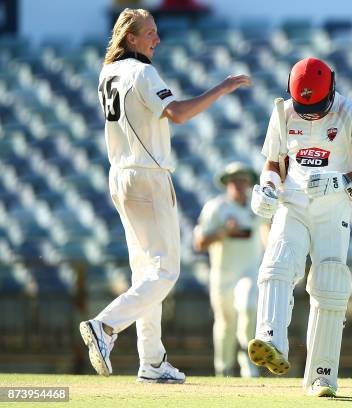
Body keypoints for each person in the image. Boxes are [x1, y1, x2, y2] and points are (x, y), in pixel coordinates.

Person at [79, 8, 250, 383]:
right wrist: (221, 88)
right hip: (148, 176)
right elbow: (178, 113)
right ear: (131, 39)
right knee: (166, 272)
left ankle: (153, 361)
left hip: (120, 174)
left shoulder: (108, 72)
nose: (157, 39)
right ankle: (105, 326)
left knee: (146, 273)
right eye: (150, 33)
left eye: (156, 31)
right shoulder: (142, 72)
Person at [248, 57, 352, 397]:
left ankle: (322, 376)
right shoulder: (282, 112)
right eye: (303, 107)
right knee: (276, 265)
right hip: (292, 202)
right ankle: (270, 339)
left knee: (330, 284)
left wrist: (342, 182)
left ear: (332, 88)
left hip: (332, 207)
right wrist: (266, 185)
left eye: (316, 108)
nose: (309, 115)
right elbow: (274, 163)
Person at [192, 162, 269, 378]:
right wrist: (224, 231)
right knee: (225, 323)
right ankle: (223, 369)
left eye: (243, 180)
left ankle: (248, 363)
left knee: (249, 306)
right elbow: (199, 242)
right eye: (234, 180)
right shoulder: (216, 207)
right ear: (227, 183)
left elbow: (266, 232)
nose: (239, 184)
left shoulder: (256, 207)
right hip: (222, 276)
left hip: (249, 271)